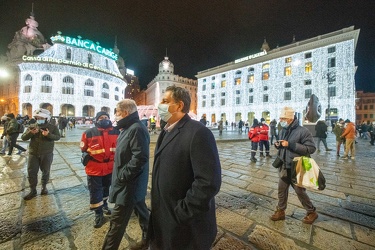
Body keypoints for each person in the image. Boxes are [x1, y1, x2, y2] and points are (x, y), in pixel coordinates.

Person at [148, 85, 221, 249]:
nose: (160, 104)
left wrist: (181, 213)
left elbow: (208, 182)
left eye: (165, 101)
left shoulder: (198, 133)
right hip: (164, 220)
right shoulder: (166, 131)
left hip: (187, 227)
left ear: (179, 105)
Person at [102, 99, 150, 250]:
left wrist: (123, 176)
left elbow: (140, 157)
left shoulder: (136, 129)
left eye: (116, 112)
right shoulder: (128, 128)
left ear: (125, 112)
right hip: (130, 183)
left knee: (116, 224)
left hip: (129, 185)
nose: (115, 116)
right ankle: (151, 239)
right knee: (142, 212)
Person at [270, 107, 318, 224]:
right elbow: (284, 146)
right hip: (284, 166)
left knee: (300, 191)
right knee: (281, 190)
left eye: (283, 118)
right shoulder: (283, 130)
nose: (280, 120)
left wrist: (290, 144)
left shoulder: (303, 131)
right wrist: (279, 145)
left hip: (296, 167)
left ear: (290, 119)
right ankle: (281, 211)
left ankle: (312, 212)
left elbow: (311, 148)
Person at [80, 111, 119, 228]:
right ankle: (98, 213)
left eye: (106, 117)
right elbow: (84, 148)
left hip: (110, 168)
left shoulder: (116, 132)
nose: (104, 119)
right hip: (95, 168)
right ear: (96, 120)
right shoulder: (88, 133)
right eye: (101, 117)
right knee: (95, 191)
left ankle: (105, 205)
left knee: (106, 188)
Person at [21, 109, 61, 200]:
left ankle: (44, 187)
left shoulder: (52, 127)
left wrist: (48, 135)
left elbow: (58, 137)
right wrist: (31, 133)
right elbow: (23, 137)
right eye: (37, 118)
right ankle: (33, 190)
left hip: (46, 153)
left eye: (41, 118)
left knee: (45, 171)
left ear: (46, 118)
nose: (39, 119)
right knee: (31, 172)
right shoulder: (32, 126)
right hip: (33, 153)